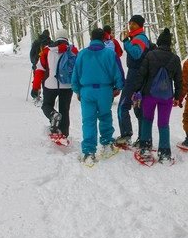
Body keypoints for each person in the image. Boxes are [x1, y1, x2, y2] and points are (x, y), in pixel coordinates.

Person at [71, 28, 124, 166]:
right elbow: (117, 72)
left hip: (86, 91)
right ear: (103, 39)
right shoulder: (109, 54)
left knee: (88, 121)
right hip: (105, 91)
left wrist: (77, 90)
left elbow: (75, 75)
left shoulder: (82, 54)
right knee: (105, 116)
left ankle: (89, 152)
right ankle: (107, 145)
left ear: (91, 38)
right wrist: (118, 87)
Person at [130, 28, 182, 164]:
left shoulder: (150, 55)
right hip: (166, 97)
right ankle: (164, 153)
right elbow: (179, 80)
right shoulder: (175, 59)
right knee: (164, 123)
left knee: (147, 120)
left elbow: (142, 75)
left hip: (149, 95)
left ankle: (145, 149)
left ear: (158, 42)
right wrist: (177, 97)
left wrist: (136, 91)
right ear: (169, 44)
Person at [115, 15, 151, 147]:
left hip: (135, 75)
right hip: (139, 75)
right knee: (138, 107)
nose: (131, 25)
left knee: (123, 105)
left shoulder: (140, 38)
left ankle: (126, 134)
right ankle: (143, 138)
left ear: (140, 26)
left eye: (134, 24)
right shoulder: (136, 38)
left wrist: (125, 41)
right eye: (130, 23)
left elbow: (136, 54)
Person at [37, 28, 78, 137]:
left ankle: (53, 115)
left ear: (56, 37)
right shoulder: (73, 50)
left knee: (46, 105)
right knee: (65, 110)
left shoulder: (47, 50)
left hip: (50, 84)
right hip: (68, 85)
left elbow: (40, 69)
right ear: (66, 37)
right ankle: (64, 134)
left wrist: (36, 87)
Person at [29, 29, 52, 100]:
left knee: (37, 79)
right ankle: (46, 95)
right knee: (46, 80)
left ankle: (36, 94)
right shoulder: (51, 43)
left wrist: (34, 62)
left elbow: (31, 54)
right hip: (48, 65)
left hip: (37, 64)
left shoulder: (36, 42)